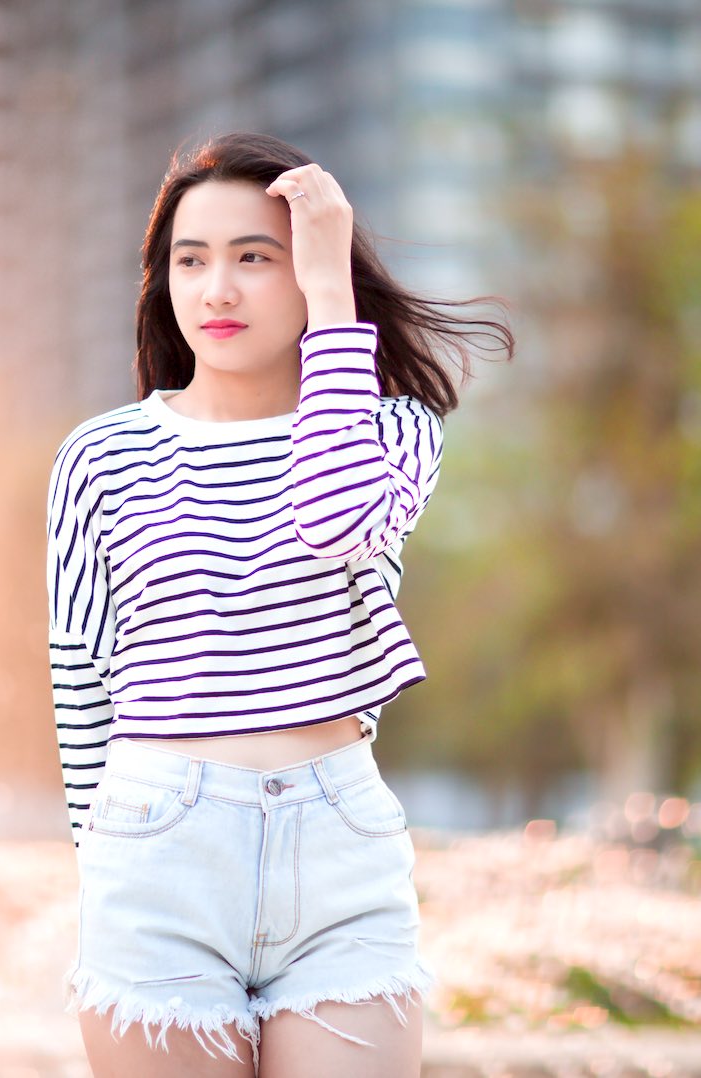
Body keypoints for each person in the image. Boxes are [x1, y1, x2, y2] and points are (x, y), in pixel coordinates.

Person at [46, 131, 514, 1077]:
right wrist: (99, 865)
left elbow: (335, 520)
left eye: (255, 258)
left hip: (339, 856)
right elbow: (80, 676)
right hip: (157, 858)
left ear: (308, 268)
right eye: (191, 260)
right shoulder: (101, 456)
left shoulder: (392, 431)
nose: (216, 290)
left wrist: (335, 292)